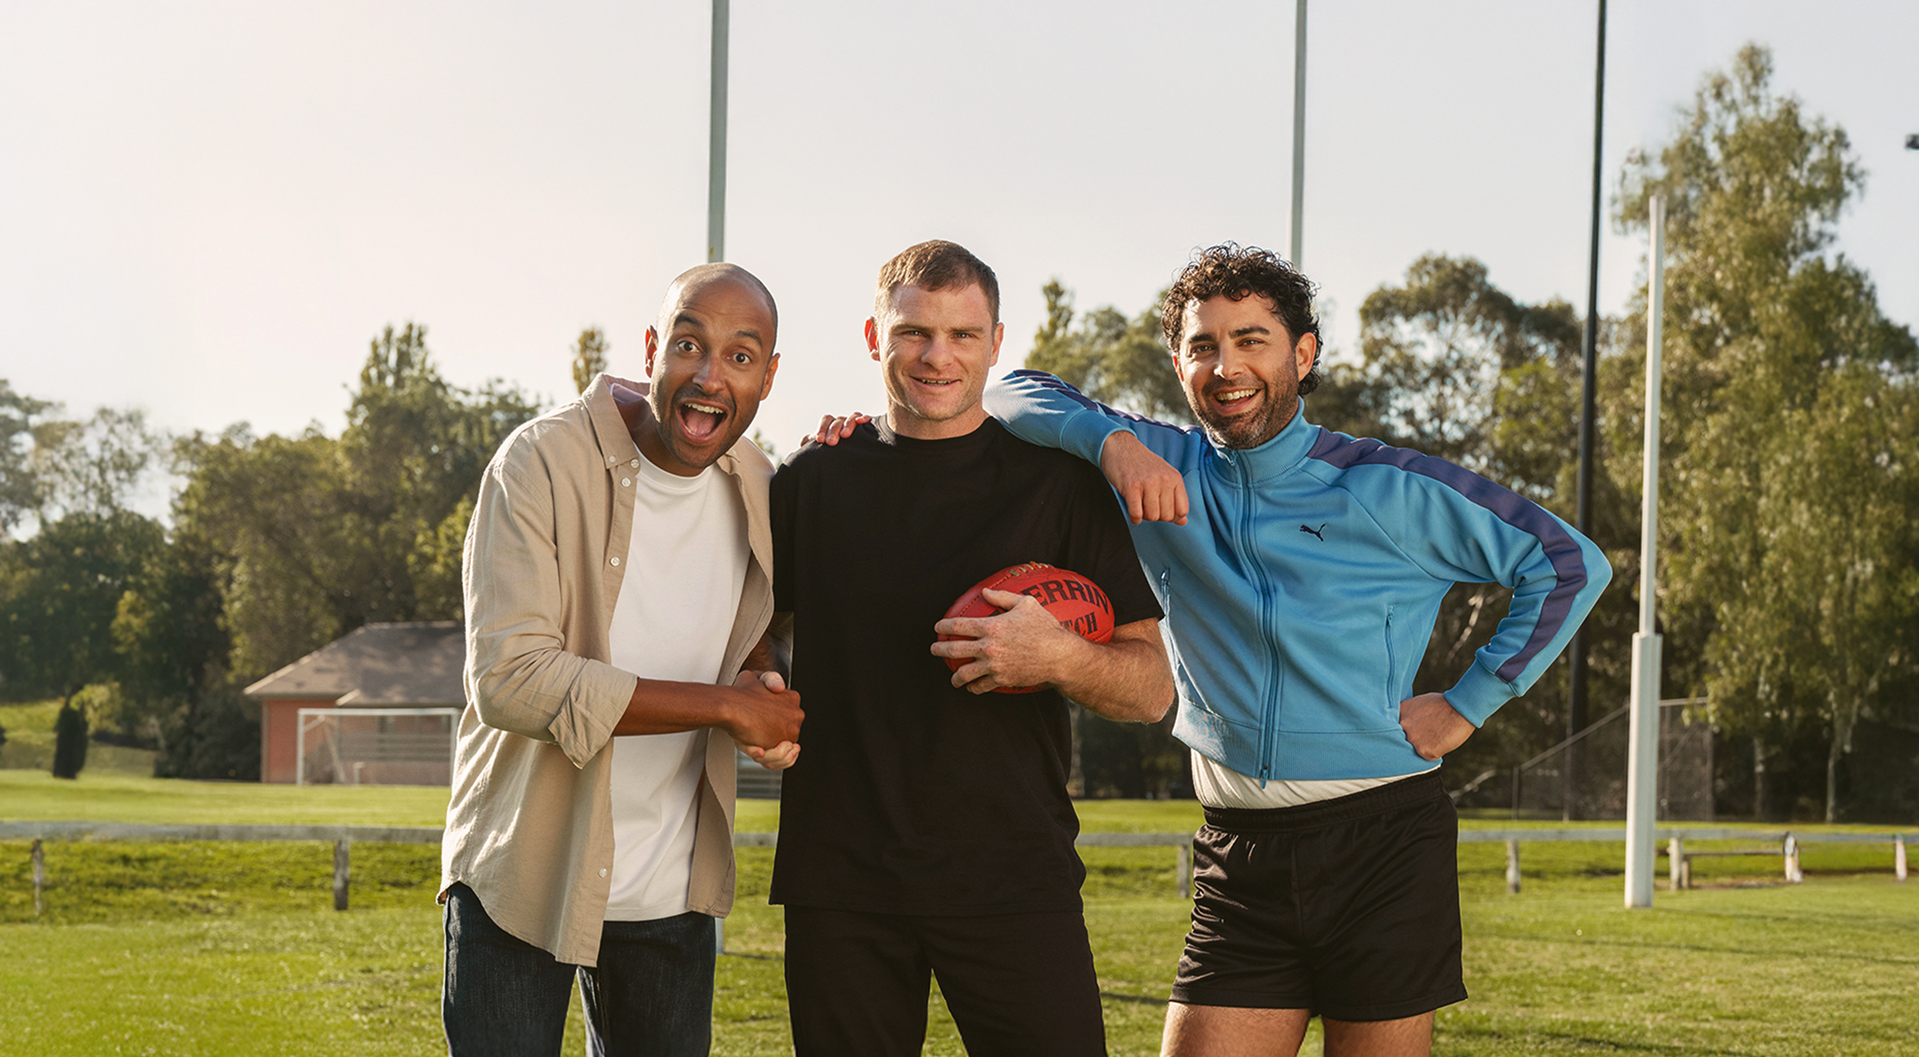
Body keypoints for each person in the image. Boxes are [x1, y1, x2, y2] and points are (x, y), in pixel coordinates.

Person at [981, 244, 1612, 1057]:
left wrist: (1467, 703)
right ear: (1177, 363)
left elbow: (1567, 563)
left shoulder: (1387, 486)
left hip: (1383, 846)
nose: (1226, 366)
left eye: (1252, 341)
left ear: (1301, 354)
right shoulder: (1159, 464)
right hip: (1237, 854)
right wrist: (1108, 443)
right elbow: (1008, 390)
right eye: (1203, 346)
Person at [770, 240, 1176, 1057]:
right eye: (914, 332)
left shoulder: (1059, 487)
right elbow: (741, 633)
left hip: (1012, 873)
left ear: (996, 343)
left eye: (962, 334)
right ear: (872, 336)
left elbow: (1153, 690)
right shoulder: (810, 482)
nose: (936, 356)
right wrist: (754, 691)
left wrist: (1056, 658)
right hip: (843, 879)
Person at [440, 262, 804, 1057]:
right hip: (522, 876)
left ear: (769, 376)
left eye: (741, 357)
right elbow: (508, 681)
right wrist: (726, 708)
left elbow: (756, 630)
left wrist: (760, 685)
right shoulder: (538, 463)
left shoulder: (765, 489)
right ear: (651, 349)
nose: (709, 376)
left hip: (671, 894)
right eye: (687, 344)